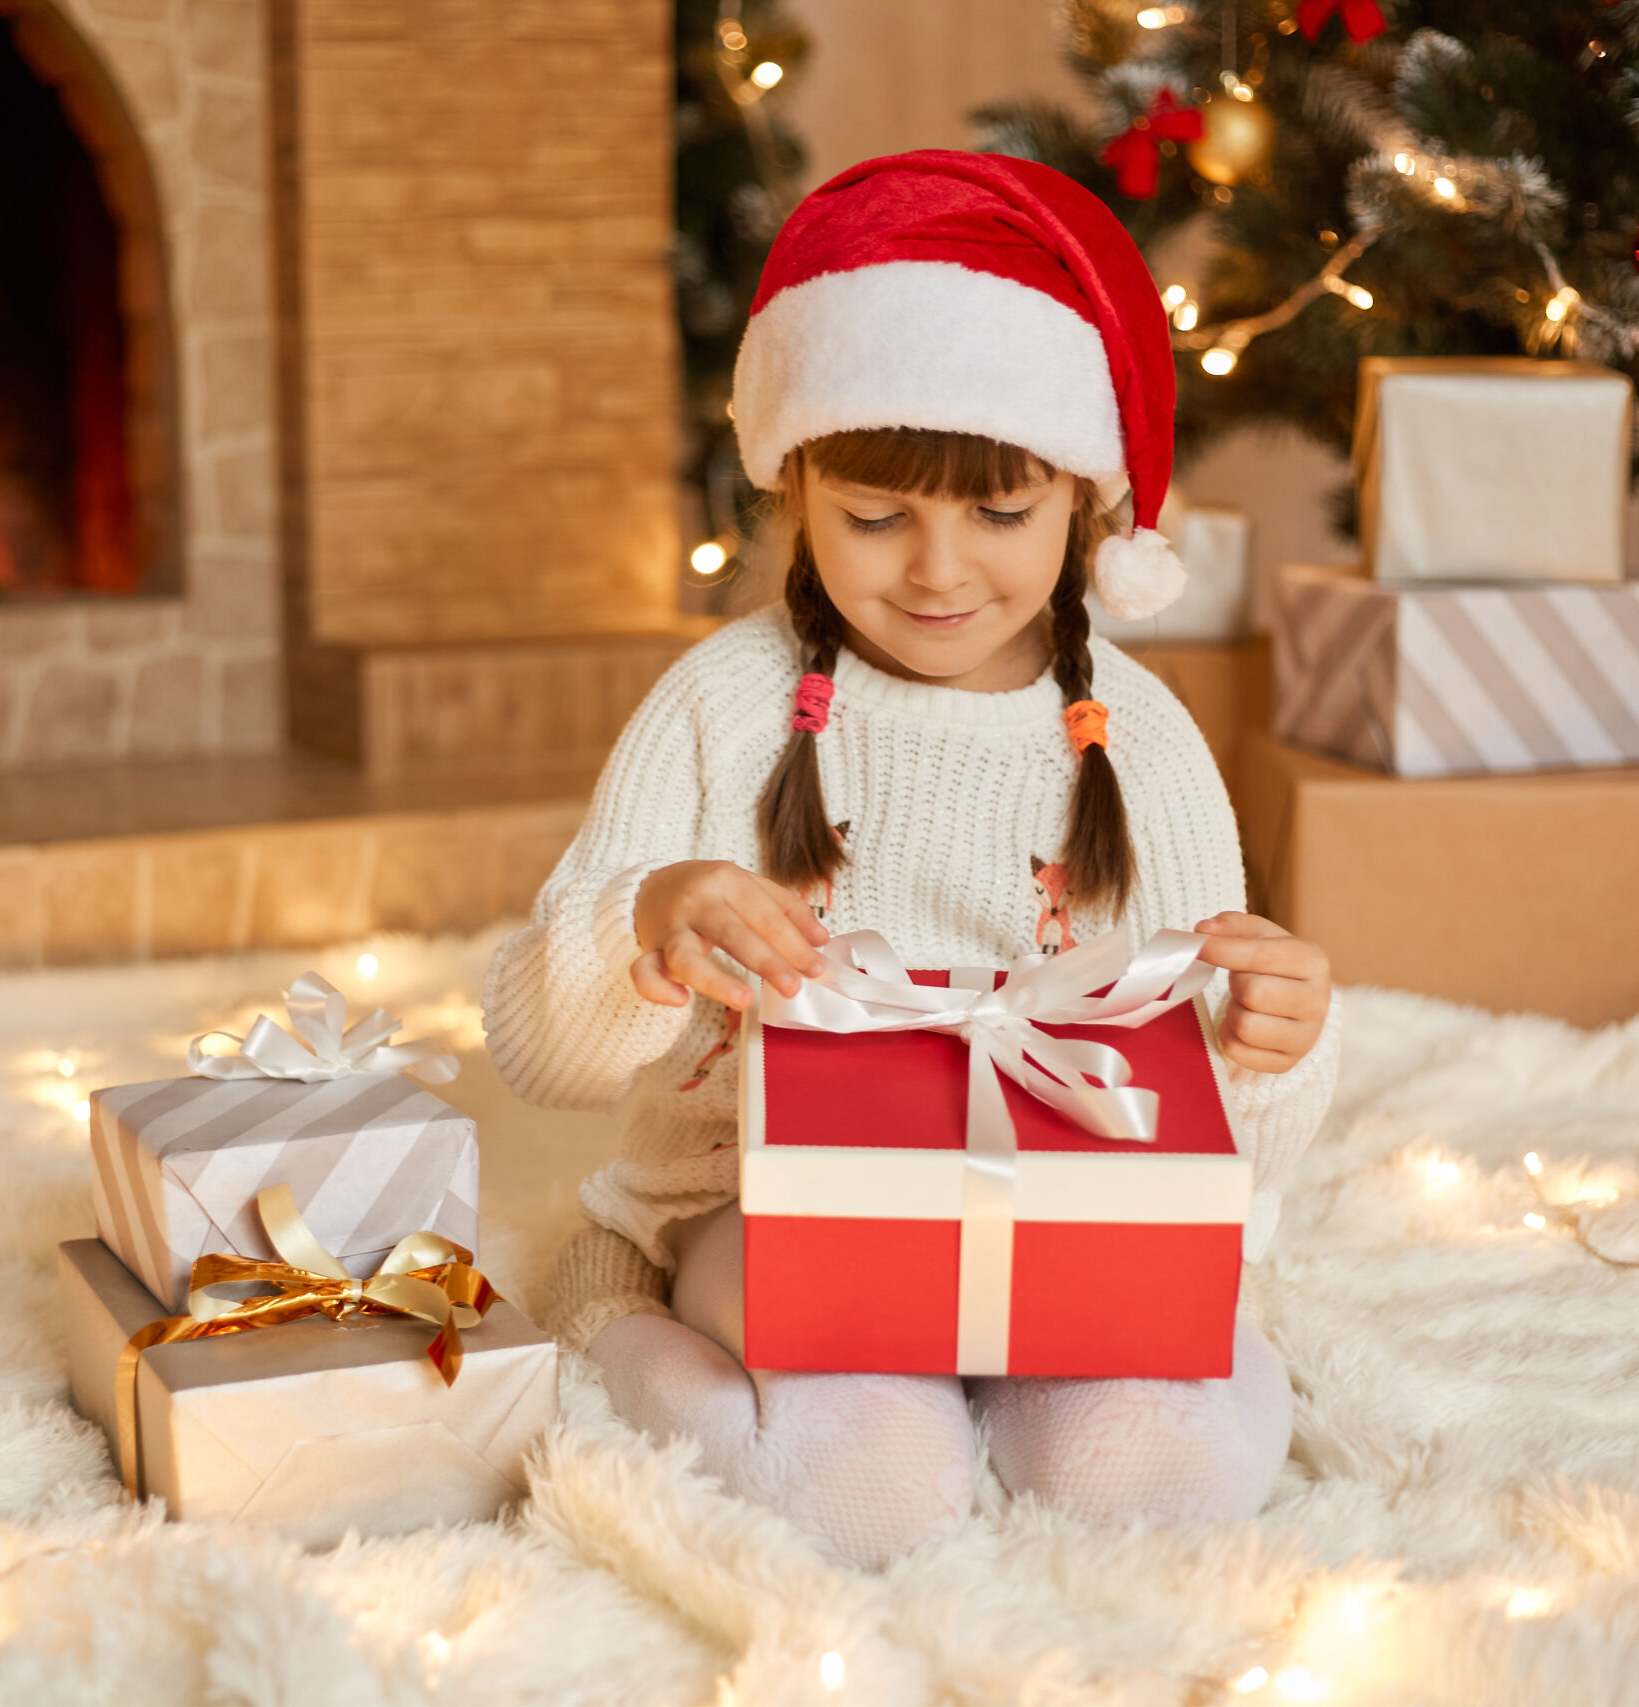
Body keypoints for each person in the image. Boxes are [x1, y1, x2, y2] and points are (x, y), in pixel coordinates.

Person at [483, 150, 1338, 1570]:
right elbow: (539, 1049)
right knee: (870, 1497)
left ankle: (1000, 1388)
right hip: (766, 1211)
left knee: (1163, 1472)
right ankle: (611, 1314)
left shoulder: (1147, 740)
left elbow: (1217, 1142)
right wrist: (653, 923)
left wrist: (1269, 1044)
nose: (938, 571)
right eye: (877, 518)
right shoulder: (723, 703)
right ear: (796, 488)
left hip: (1062, 1223)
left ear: (1085, 504)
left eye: (1000, 514)